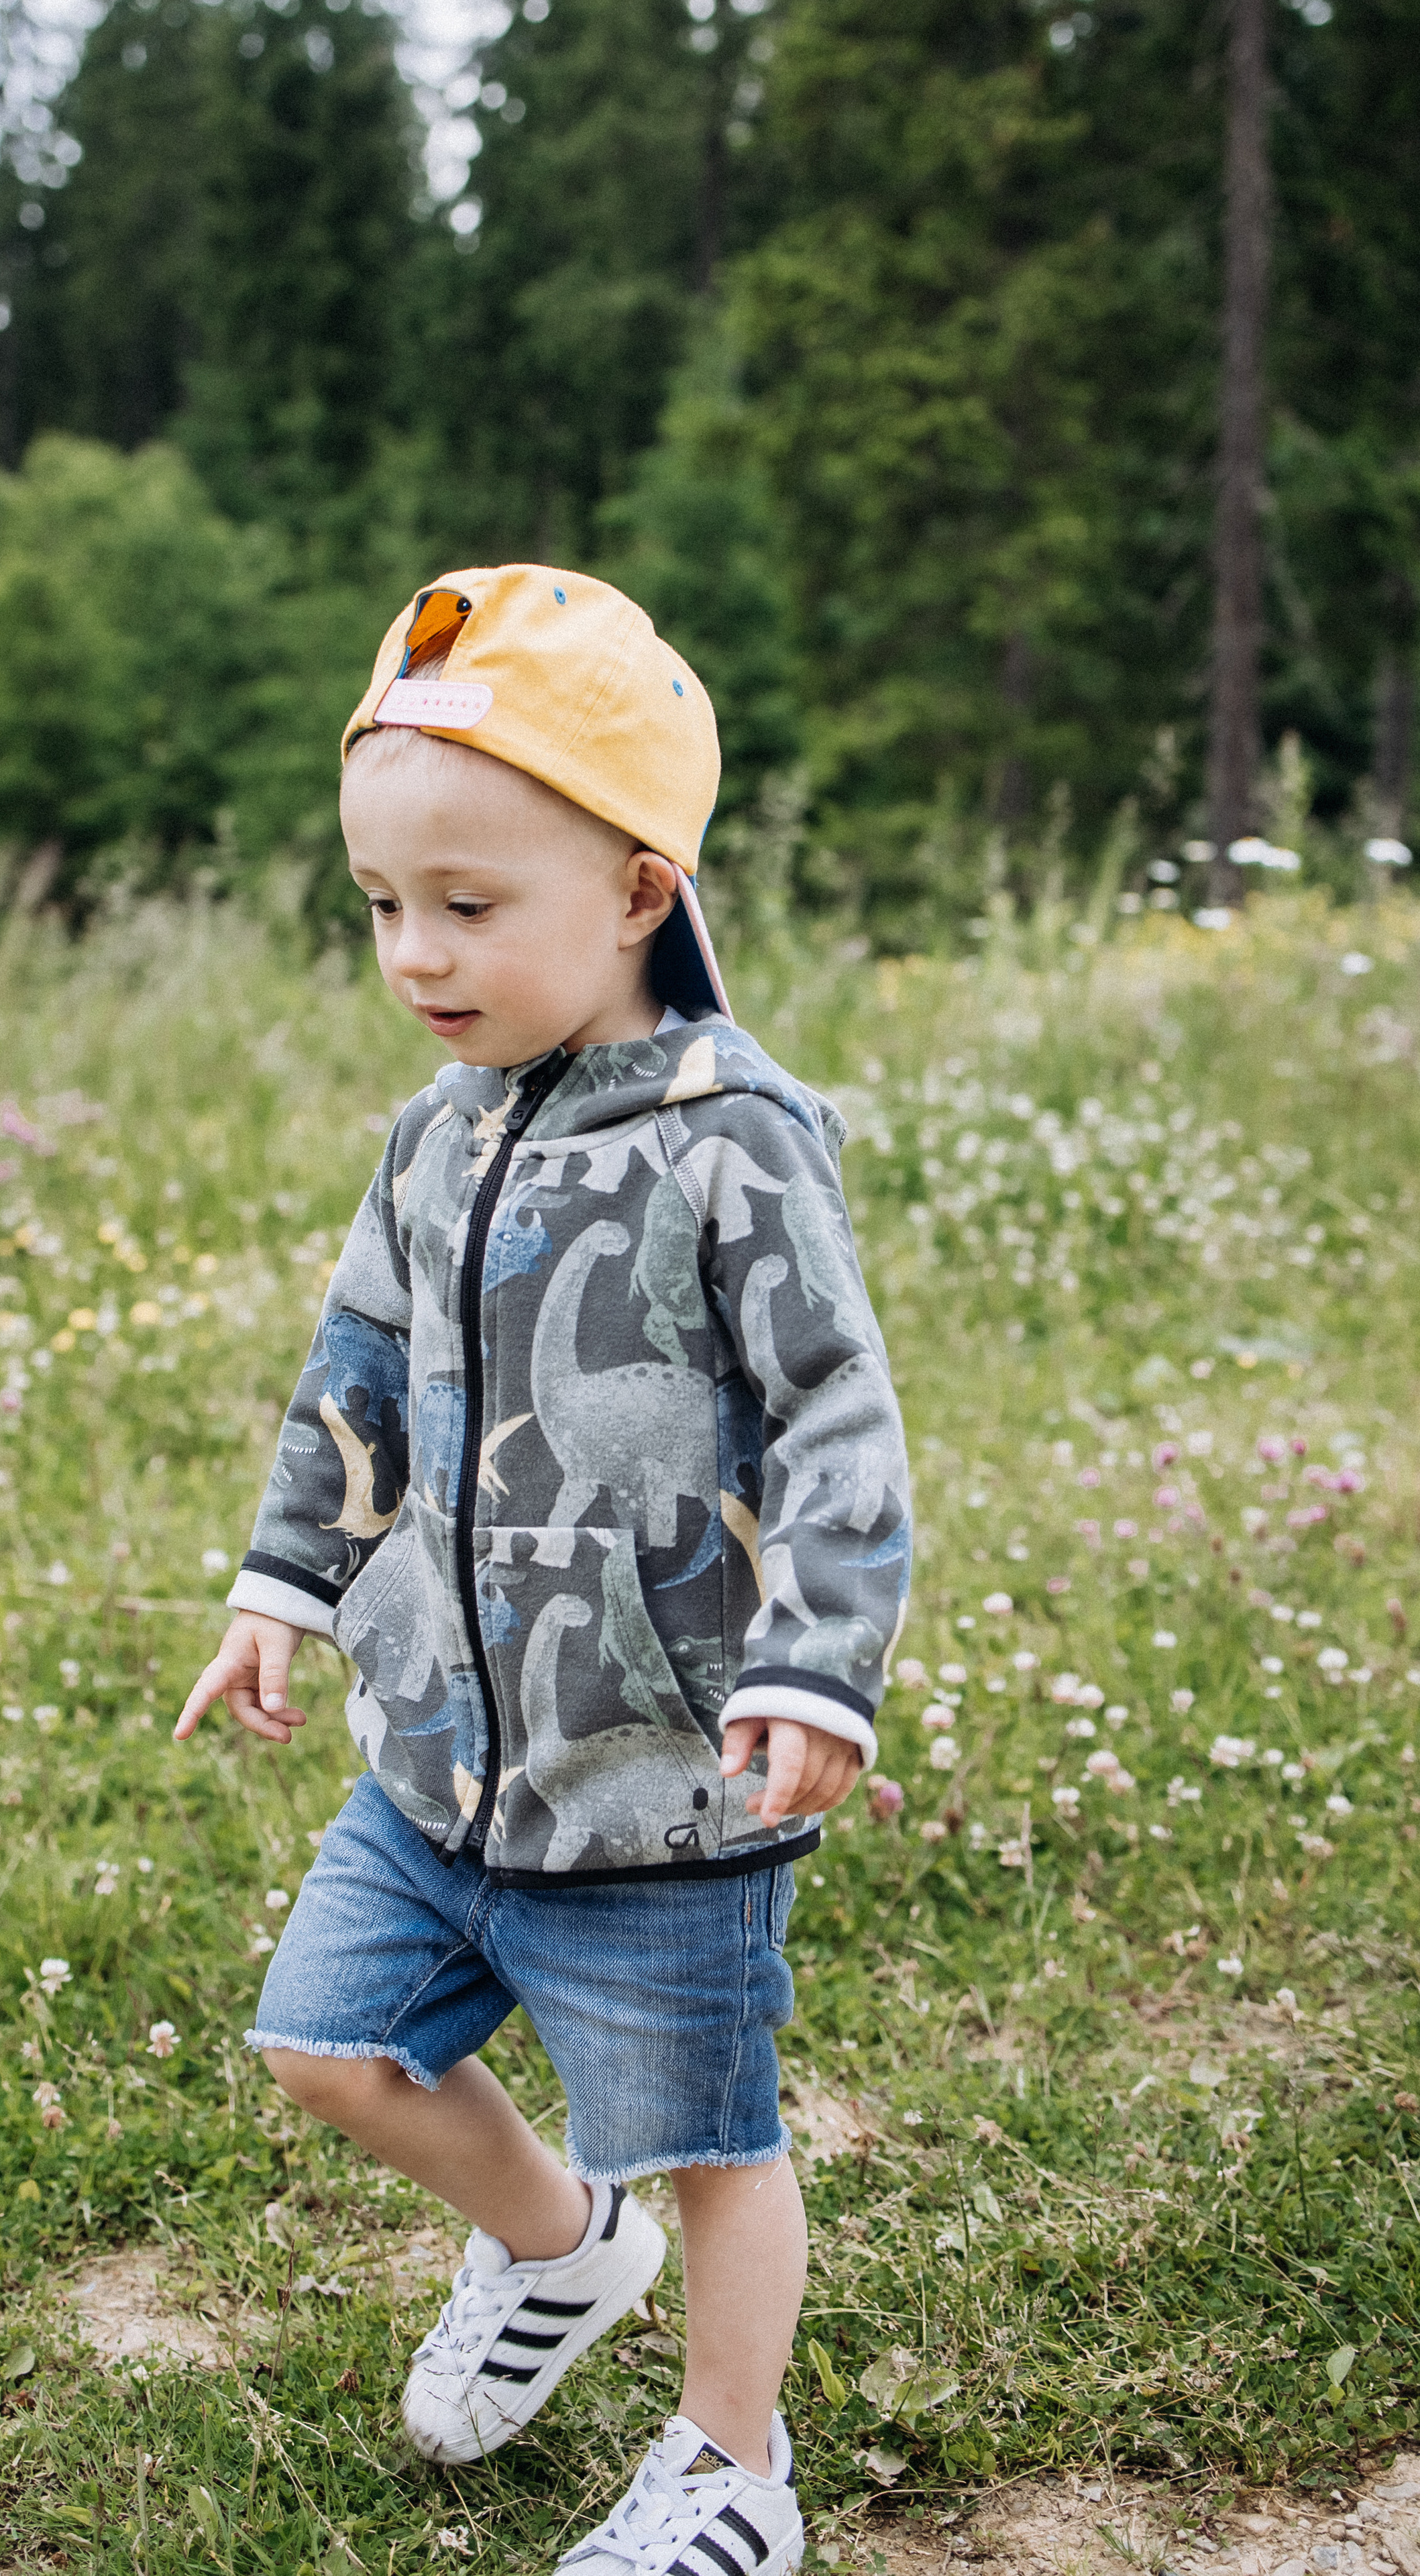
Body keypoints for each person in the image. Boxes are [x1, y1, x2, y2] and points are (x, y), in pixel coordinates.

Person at [176, 565, 910, 2576]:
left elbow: (839, 1409)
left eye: (469, 908)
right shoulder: (435, 1132)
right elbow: (357, 1369)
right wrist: (287, 1588)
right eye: (384, 905)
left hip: (666, 1780)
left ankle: (728, 2473)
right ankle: (547, 2245)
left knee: (708, 2146)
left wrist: (815, 1665)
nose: (416, 952)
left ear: (643, 890)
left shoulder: (733, 1136)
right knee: (325, 2043)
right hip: (437, 1759)